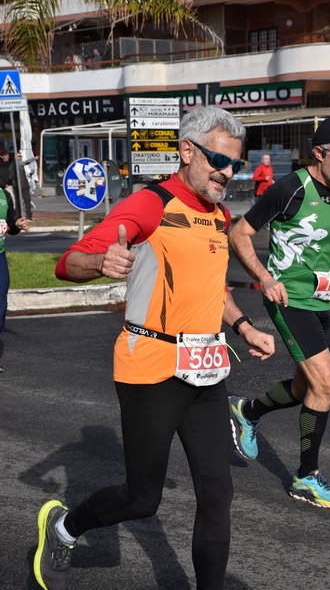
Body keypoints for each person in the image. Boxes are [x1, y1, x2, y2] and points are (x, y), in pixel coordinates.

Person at [33, 106, 275, 590]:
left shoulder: (218, 214)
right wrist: (102, 261)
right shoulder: (151, 204)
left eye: (234, 164)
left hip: (206, 372)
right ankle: (63, 529)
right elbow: (68, 262)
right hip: (151, 371)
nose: (227, 172)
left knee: (217, 491)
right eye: (217, 160)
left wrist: (244, 325)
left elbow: (213, 288)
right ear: (187, 151)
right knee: (142, 498)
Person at [228, 116, 330, 509]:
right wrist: (264, 279)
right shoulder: (290, 188)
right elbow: (239, 234)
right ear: (319, 153)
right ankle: (306, 477)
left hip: (324, 301)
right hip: (290, 302)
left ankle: (247, 411)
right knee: (326, 383)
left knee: (306, 387)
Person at [0, 184, 29, 373]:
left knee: (1, 306)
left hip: (0, 256)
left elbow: (10, 223)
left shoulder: (3, 195)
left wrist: (18, 225)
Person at [9, 150, 36, 220]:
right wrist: (34, 158)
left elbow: (10, 175)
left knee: (18, 202)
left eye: (21, 156)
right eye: (19, 156)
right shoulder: (18, 164)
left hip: (16, 186)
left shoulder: (11, 165)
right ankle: (29, 216)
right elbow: (26, 162)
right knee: (27, 201)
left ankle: (17, 216)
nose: (21, 157)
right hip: (23, 186)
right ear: (15, 157)